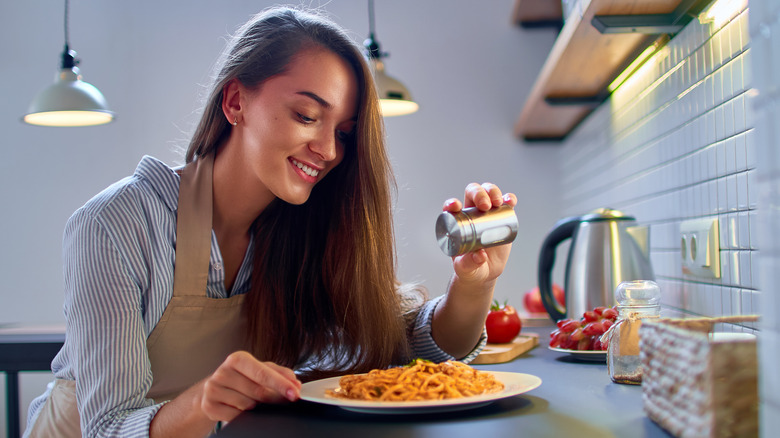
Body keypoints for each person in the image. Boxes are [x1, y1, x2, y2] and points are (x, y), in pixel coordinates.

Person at [24, 5, 517, 438]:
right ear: (235, 102)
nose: (328, 151)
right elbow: (108, 429)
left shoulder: (301, 226)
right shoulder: (116, 225)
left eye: (344, 133)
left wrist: (475, 283)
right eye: (306, 116)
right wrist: (203, 401)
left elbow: (412, 349)